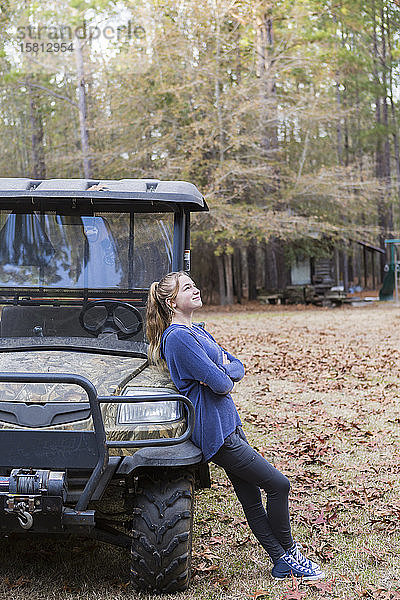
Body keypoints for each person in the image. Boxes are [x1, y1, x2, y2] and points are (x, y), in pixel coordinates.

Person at [146, 271, 324, 581]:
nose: (196, 289)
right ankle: (290, 552)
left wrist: (223, 370)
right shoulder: (178, 338)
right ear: (171, 301)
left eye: (194, 283)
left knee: (252, 495)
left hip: (228, 422)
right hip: (215, 431)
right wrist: (222, 371)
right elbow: (222, 383)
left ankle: (281, 562)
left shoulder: (197, 331)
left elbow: (235, 366)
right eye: (188, 287)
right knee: (278, 485)